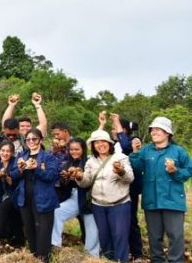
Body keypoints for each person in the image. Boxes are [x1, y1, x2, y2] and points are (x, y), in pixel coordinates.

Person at [130, 116, 191, 263]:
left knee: (176, 236)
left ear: (167, 133)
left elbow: (189, 171)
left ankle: (176, 261)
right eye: (152, 129)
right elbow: (137, 170)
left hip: (173, 200)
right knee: (154, 238)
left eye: (157, 129)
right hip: (152, 201)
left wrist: (175, 171)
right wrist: (135, 153)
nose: (153, 132)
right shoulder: (145, 151)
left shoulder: (178, 151)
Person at [75, 116, 133, 263]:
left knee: (120, 236)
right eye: (96, 143)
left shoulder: (120, 157)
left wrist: (120, 171)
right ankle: (108, 259)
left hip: (119, 204)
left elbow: (130, 178)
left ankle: (121, 260)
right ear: (93, 146)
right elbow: (86, 183)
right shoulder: (90, 161)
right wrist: (79, 176)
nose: (100, 145)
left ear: (109, 143)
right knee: (104, 236)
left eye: (103, 142)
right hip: (98, 205)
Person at [10, 128, 59, 263]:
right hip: (25, 198)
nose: (31, 141)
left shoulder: (48, 157)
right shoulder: (22, 156)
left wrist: (36, 168)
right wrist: (19, 170)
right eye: (28, 139)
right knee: (29, 228)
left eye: (34, 139)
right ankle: (33, 255)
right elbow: (13, 175)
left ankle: (43, 258)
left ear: (41, 140)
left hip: (44, 198)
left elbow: (52, 176)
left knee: (44, 230)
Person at [51, 138, 99, 257]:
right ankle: (55, 244)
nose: (74, 152)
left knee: (91, 225)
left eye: (77, 149)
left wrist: (79, 177)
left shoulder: (89, 161)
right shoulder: (67, 163)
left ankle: (92, 256)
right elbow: (63, 185)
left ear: (83, 149)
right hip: (72, 196)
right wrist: (65, 179)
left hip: (88, 197)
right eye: (71, 149)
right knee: (57, 211)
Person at [110, 113, 144, 262]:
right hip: (114, 186)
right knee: (117, 220)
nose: (113, 131)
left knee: (130, 219)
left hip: (129, 187)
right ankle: (122, 250)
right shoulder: (112, 144)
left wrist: (116, 122)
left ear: (123, 129)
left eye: (115, 128)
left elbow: (125, 147)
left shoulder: (132, 141)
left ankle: (137, 253)